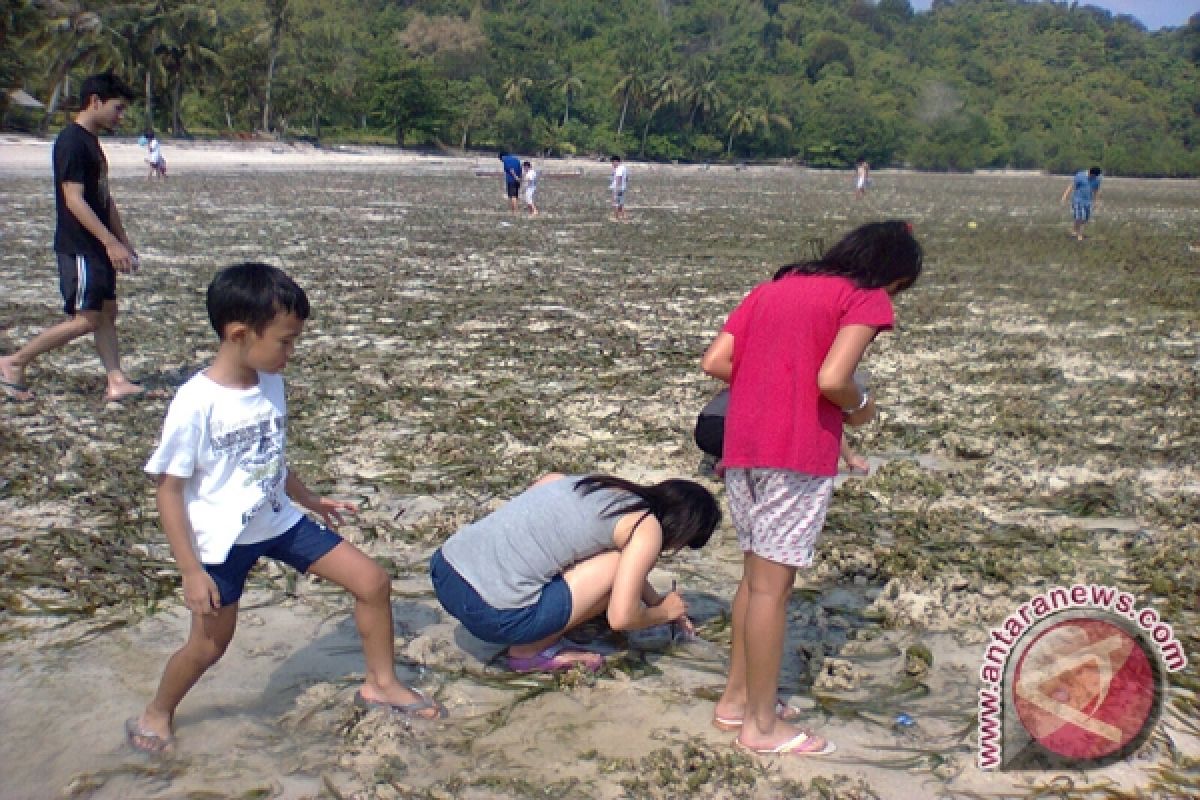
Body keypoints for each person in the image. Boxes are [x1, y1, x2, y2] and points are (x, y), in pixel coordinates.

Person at [126, 263, 445, 755]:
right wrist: (190, 571)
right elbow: (168, 490)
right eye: (285, 341)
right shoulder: (196, 403)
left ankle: (381, 683)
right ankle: (157, 711)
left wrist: (309, 498)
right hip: (222, 544)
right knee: (209, 646)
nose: (291, 352)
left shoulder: (270, 381)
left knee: (373, 583)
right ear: (238, 333)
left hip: (279, 520)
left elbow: (268, 455)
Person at [700, 220, 923, 757]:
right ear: (891, 275)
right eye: (899, 289)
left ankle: (736, 701)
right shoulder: (864, 298)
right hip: (795, 451)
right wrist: (861, 408)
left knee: (754, 580)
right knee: (774, 590)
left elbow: (716, 361)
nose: (893, 300)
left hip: (743, 444)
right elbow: (833, 379)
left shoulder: (773, 288)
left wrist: (772, 382)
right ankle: (761, 725)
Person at [430, 473, 720, 672]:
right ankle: (530, 652)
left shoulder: (592, 485)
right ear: (683, 531)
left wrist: (655, 599)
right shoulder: (646, 527)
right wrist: (664, 613)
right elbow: (621, 618)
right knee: (613, 566)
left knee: (603, 558)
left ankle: (537, 627)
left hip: (445, 571)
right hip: (493, 615)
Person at [0, 72, 144, 403]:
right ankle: (14, 362)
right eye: (118, 108)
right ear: (95, 101)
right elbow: (74, 199)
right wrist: (109, 242)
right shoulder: (71, 141)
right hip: (79, 246)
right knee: (86, 319)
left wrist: (122, 240)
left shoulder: (91, 143)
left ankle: (116, 380)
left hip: (98, 245)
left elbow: (104, 199)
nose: (121, 116)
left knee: (107, 310)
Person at [694, 388, 869, 477]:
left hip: (706, 424)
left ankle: (718, 457)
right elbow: (827, 425)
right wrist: (850, 457)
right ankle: (730, 462)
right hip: (733, 430)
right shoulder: (807, 386)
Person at [1060, 166, 1102, 241]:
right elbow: (1071, 186)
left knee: (1085, 219)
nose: (1092, 177)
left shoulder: (1097, 179)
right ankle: (1080, 236)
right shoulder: (1080, 175)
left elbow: (1096, 191)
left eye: (1094, 176)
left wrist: (1097, 202)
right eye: (1091, 175)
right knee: (1081, 217)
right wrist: (1064, 196)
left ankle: (1074, 231)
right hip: (1078, 200)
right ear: (1089, 171)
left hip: (1088, 202)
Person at [609, 155, 628, 221]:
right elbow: (626, 178)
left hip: (618, 188)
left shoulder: (619, 169)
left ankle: (616, 217)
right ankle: (623, 216)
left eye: (612, 162)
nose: (612, 164)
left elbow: (618, 179)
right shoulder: (624, 168)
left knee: (615, 203)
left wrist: (616, 189)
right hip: (622, 188)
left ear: (616, 161)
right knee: (621, 203)